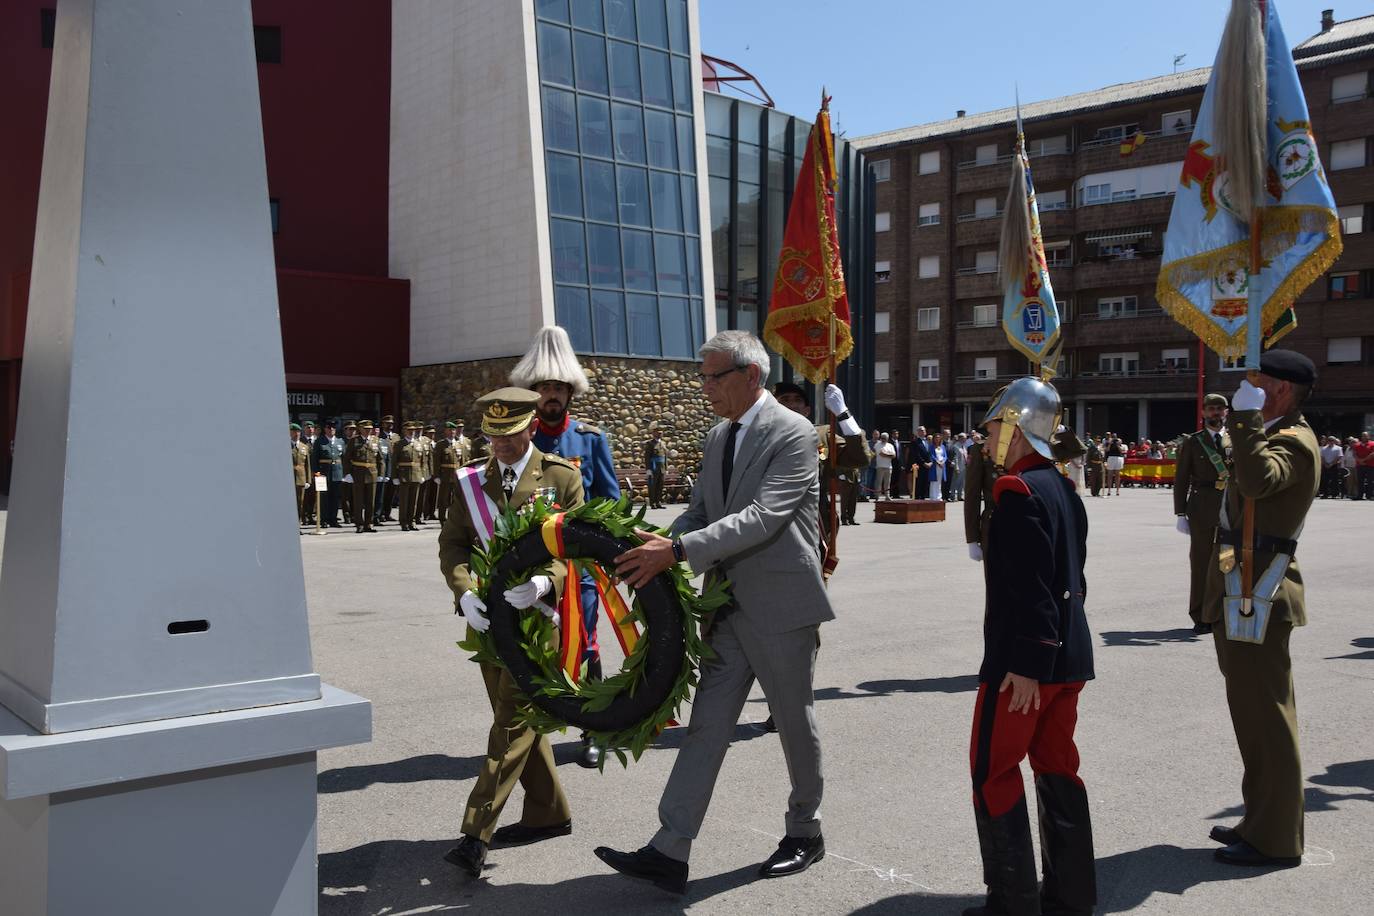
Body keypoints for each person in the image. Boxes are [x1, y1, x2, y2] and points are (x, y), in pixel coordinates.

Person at [597, 331, 832, 894]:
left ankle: (805, 830)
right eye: (702, 377)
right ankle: (670, 849)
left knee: (794, 723)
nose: (705, 388)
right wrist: (650, 545)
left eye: (714, 377)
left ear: (751, 376)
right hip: (725, 607)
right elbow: (702, 511)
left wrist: (675, 553)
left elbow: (761, 517)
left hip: (781, 608)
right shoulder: (717, 436)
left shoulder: (794, 432)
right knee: (706, 727)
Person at [438, 388, 584, 880]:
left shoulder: (561, 477)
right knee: (518, 719)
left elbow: (576, 548)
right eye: (492, 436)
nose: (499, 445)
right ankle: (549, 813)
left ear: (529, 429)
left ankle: (474, 834)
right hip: (486, 623)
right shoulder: (472, 482)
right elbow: (453, 543)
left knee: (511, 723)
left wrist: (549, 580)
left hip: (538, 622)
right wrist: (463, 592)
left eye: (509, 435)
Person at [967, 376, 1095, 916]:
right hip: (1067, 658)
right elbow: (1075, 579)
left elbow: (1034, 588)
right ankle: (1070, 899)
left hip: (1027, 665)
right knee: (1057, 767)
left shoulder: (1016, 492)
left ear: (1015, 427)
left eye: (995, 423)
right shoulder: (1060, 486)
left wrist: (1024, 664)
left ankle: (1012, 905)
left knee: (992, 770)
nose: (987, 433)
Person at [1201, 350, 1320, 869]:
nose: (1248, 387)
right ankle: (1260, 819)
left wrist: (1245, 419)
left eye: (1260, 381)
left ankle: (1276, 839)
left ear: (1284, 391)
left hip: (1262, 591)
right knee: (1251, 715)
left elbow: (1256, 482)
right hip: (1243, 586)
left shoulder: (1295, 442)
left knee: (1268, 718)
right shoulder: (1273, 433)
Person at [510, 325, 621, 769]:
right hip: (528, 567)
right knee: (530, 647)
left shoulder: (590, 440)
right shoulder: (518, 441)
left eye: (558, 388)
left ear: (570, 393)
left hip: (578, 568)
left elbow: (611, 500)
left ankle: (592, 727)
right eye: (543, 388)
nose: (551, 395)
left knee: (585, 644)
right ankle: (531, 738)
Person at [1174, 394, 1233, 631]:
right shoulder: (1193, 442)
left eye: (1220, 409)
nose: (1216, 413)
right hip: (1200, 508)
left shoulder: (1235, 440)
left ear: (1226, 412)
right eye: (1211, 409)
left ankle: (1221, 613)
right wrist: (1180, 513)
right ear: (1203, 413)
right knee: (1200, 564)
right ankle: (1200, 615)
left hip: (1229, 509)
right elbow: (1181, 479)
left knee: (1228, 562)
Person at [964, 433, 998, 562]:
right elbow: (973, 493)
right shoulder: (981, 448)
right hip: (993, 525)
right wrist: (972, 539)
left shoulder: (1027, 444)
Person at [345, 419, 381, 533]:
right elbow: (347, 458)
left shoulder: (376, 440)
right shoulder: (354, 441)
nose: (368, 431)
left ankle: (369, 524)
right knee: (358, 501)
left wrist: (381, 473)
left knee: (370, 501)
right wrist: (347, 474)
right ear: (360, 429)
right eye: (365, 429)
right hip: (358, 473)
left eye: (369, 429)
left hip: (372, 474)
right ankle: (359, 524)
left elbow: (380, 459)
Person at [392, 421, 426, 531]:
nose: (412, 432)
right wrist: (395, 477)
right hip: (404, 475)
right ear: (405, 431)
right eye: (409, 430)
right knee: (404, 501)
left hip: (416, 475)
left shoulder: (418, 444)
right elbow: (394, 462)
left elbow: (422, 461)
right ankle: (403, 522)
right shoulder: (399, 444)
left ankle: (412, 521)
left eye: (413, 431)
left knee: (413, 501)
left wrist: (423, 474)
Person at [312, 419, 345, 528]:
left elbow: (344, 458)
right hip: (323, 472)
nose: (331, 430)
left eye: (333, 428)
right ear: (325, 429)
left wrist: (344, 473)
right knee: (324, 498)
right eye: (329, 428)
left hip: (337, 472)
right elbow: (314, 458)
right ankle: (324, 519)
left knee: (335, 498)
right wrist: (316, 472)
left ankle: (333, 519)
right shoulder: (319, 441)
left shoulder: (340, 441)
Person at [435, 420, 470, 523]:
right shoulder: (441, 444)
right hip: (445, 475)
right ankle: (442, 518)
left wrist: (464, 473)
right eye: (450, 430)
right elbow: (436, 461)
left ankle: (452, 519)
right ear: (445, 431)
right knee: (443, 499)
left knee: (455, 499)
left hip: (457, 475)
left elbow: (462, 461)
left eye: (453, 430)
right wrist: (436, 475)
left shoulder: (459, 444)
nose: (452, 432)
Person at [376, 415, 400, 523]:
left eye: (391, 423)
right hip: (383, 468)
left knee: (391, 493)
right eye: (387, 423)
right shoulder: (379, 436)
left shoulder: (396, 437)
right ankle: (379, 514)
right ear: (383, 424)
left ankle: (387, 513)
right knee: (381, 493)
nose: (389, 425)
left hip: (393, 468)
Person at [291, 422, 310, 528]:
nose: (296, 433)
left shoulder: (304, 447)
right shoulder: (285, 445)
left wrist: (308, 480)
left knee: (300, 503)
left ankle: (297, 526)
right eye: (294, 431)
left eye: (298, 431)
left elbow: (307, 465)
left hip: (301, 478)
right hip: (289, 479)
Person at [644, 425, 667, 509]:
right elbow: (647, 457)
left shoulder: (663, 443)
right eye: (658, 432)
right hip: (653, 467)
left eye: (661, 432)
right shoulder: (650, 444)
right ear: (654, 433)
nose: (660, 433)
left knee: (660, 485)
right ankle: (652, 503)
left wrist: (666, 468)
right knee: (653, 486)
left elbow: (665, 457)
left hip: (662, 468)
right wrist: (648, 469)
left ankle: (658, 502)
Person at [908, 426, 932, 498]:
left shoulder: (928, 442)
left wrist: (930, 462)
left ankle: (923, 498)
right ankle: (917, 499)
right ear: (918, 432)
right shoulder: (915, 442)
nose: (923, 432)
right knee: (919, 484)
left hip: (928, 466)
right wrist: (924, 463)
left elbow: (930, 453)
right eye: (921, 430)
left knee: (925, 484)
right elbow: (916, 455)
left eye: (924, 430)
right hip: (919, 466)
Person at [873, 433, 895, 499]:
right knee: (879, 482)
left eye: (884, 438)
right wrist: (889, 455)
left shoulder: (890, 445)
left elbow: (894, 455)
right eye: (882, 437)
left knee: (887, 483)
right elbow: (879, 454)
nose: (883, 439)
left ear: (887, 439)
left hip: (888, 466)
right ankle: (877, 496)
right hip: (880, 466)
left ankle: (887, 496)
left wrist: (886, 454)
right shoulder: (877, 445)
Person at [949, 432, 968, 501]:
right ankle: (953, 496)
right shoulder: (956, 446)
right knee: (955, 482)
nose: (965, 440)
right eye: (964, 438)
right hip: (958, 467)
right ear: (960, 438)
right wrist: (956, 467)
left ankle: (960, 496)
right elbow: (955, 458)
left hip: (964, 466)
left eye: (966, 438)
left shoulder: (963, 446)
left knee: (962, 482)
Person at [1355, 431, 1374, 500]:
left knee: (1370, 481)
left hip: (1370, 465)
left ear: (1368, 436)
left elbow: (1372, 454)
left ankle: (1369, 495)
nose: (1364, 437)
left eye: (1365, 436)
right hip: (1360, 465)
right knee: (1360, 481)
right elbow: (1355, 454)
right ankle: (1360, 495)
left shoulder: (1372, 444)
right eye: (1363, 436)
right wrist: (1359, 461)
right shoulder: (1357, 444)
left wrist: (1363, 460)